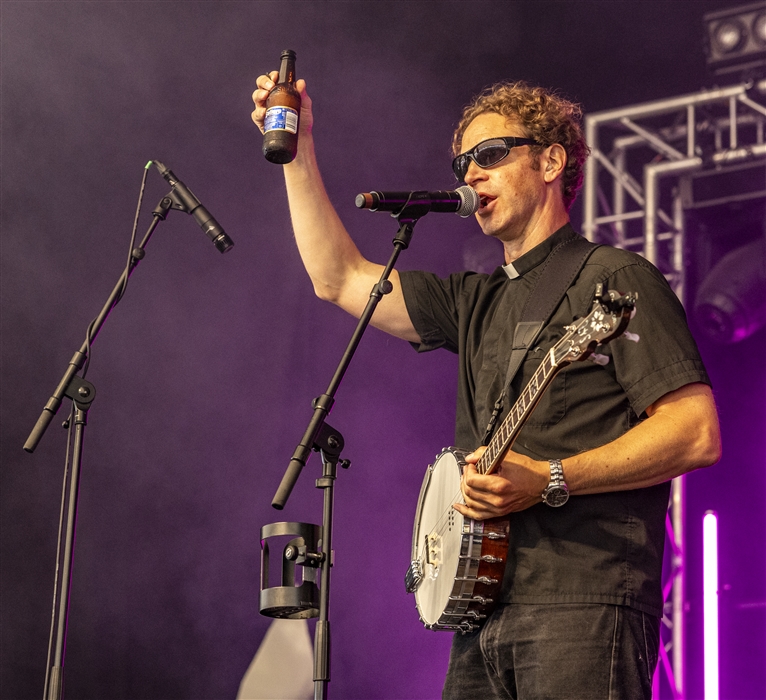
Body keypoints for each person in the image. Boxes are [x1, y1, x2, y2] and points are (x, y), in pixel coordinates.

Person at [251, 73, 721, 699]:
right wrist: (298, 147)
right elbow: (337, 277)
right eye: (463, 162)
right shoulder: (474, 301)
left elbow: (696, 432)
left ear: (552, 161)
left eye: (492, 154)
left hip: (582, 601)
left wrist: (551, 479)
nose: (471, 173)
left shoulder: (615, 278)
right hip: (479, 610)